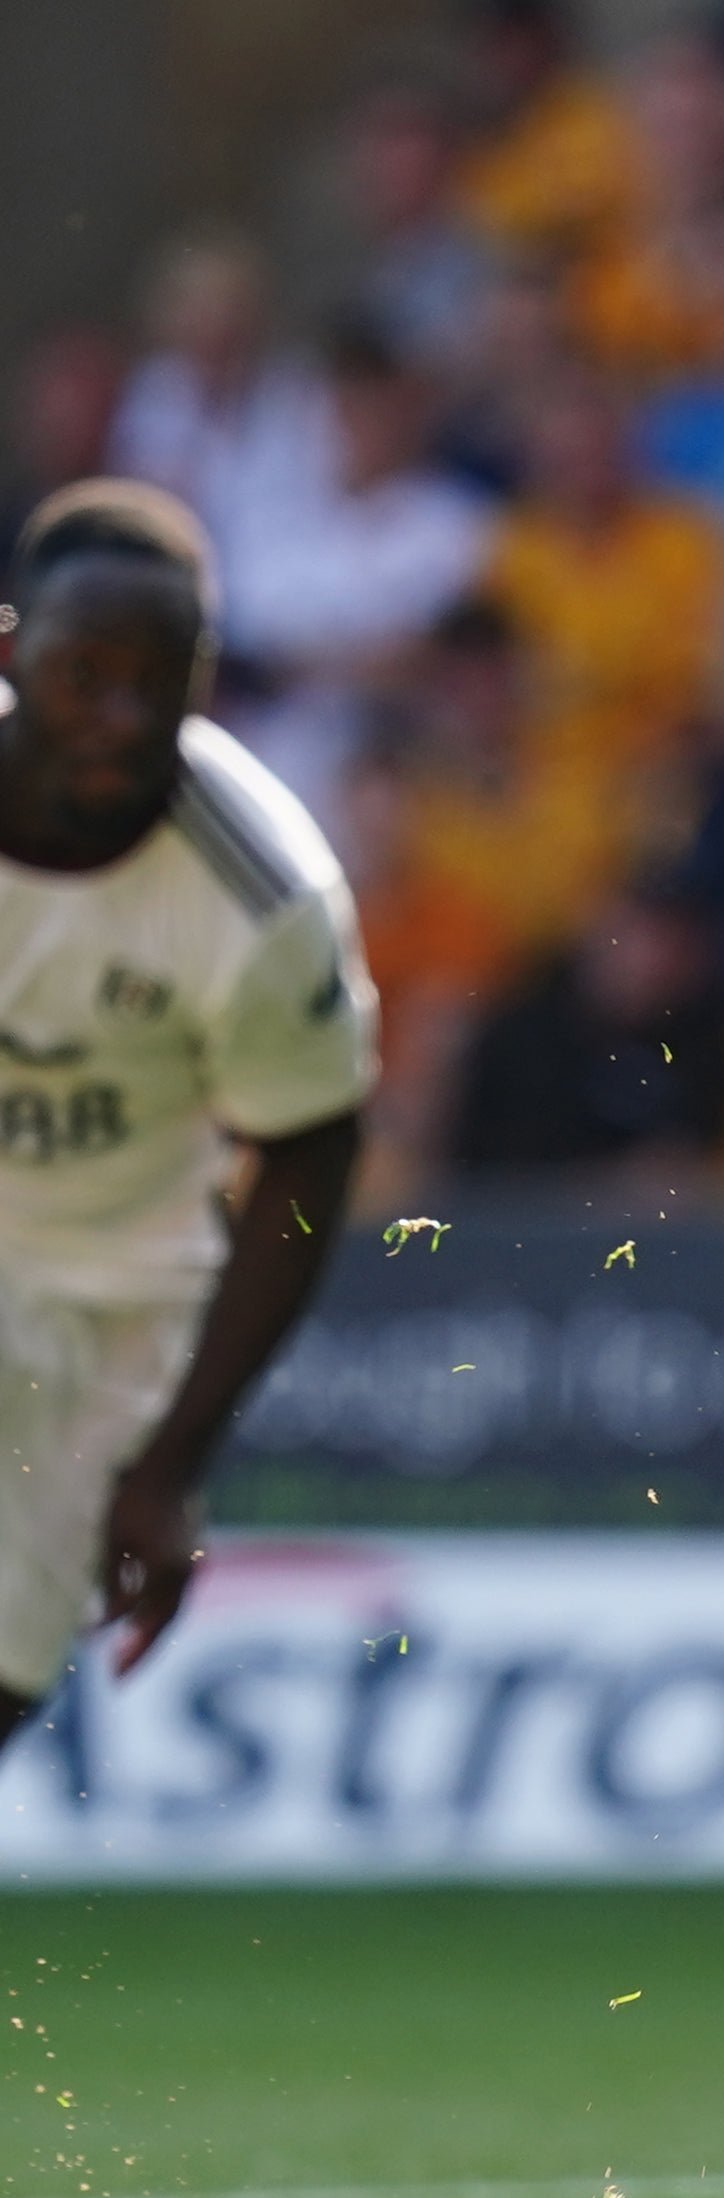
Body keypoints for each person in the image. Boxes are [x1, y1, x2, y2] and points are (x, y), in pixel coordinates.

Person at [0, 482, 376, 1749]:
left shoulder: (264, 896)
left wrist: (169, 1468)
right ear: (12, 653)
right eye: (79, 675)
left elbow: (311, 1149)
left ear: (202, 678)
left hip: (116, 1310)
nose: (115, 719)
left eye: (150, 681)